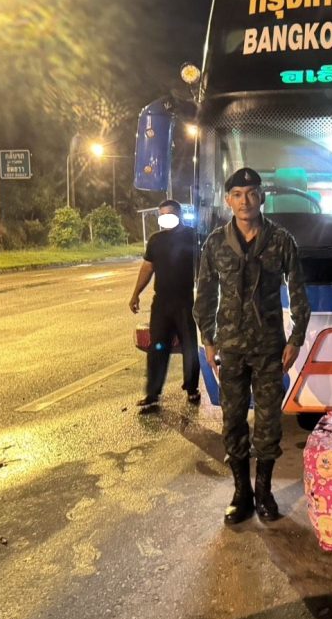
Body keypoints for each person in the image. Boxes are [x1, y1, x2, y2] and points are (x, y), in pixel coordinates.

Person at [193, 167, 311, 524]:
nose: (245, 201)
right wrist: (208, 338)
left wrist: (296, 339)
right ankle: (241, 493)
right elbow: (204, 293)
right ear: (228, 201)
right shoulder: (215, 243)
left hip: (269, 348)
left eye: (251, 193)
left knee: (269, 423)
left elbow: (298, 292)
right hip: (230, 348)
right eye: (237, 195)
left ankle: (264, 492)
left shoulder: (281, 240)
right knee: (233, 422)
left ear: (262, 197)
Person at [129, 199, 201, 411]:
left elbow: (204, 265)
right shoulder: (155, 240)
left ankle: (192, 388)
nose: (165, 218)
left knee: (189, 347)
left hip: (185, 302)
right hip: (161, 303)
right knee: (157, 347)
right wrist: (135, 294)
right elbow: (147, 268)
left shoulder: (192, 236)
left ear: (178, 214)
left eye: (169, 214)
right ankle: (152, 394)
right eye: (162, 215)